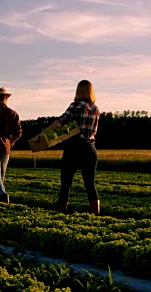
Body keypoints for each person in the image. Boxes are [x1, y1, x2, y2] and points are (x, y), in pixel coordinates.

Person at [48, 80, 101, 215]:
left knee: (66, 183)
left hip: (74, 148)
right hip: (90, 148)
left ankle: (61, 210)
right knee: (90, 184)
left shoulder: (75, 106)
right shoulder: (96, 109)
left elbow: (61, 120)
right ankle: (97, 215)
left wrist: (48, 132)